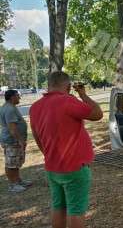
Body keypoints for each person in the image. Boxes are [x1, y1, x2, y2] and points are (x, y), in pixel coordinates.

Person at [29, 71, 103, 228]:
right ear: (69, 87)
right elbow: (97, 114)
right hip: (75, 168)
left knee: (58, 206)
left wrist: (49, 155)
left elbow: (37, 137)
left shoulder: (35, 107)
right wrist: (83, 95)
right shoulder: (68, 101)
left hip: (52, 168)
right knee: (76, 210)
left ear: (48, 86)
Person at [0, 89, 31, 193]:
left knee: (16, 162)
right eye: (18, 95)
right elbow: (12, 128)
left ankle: (17, 181)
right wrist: (21, 140)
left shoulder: (10, 107)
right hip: (12, 140)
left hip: (13, 140)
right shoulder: (9, 109)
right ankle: (13, 185)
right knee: (11, 163)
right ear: (12, 97)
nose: (19, 97)